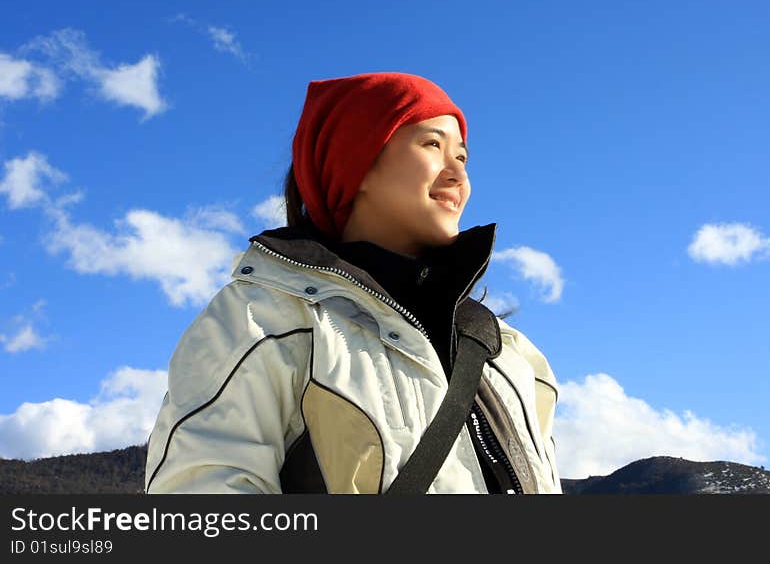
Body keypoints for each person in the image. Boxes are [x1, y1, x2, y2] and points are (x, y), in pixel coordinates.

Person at [145, 72, 562, 494]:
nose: (458, 174)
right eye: (433, 145)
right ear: (357, 161)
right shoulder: (263, 318)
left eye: (463, 157)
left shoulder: (507, 351)